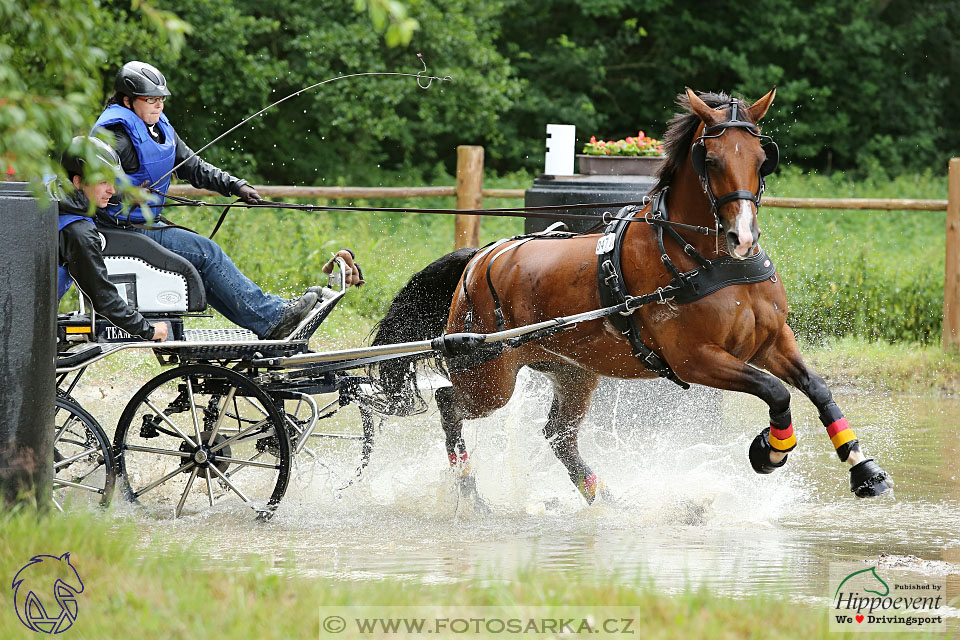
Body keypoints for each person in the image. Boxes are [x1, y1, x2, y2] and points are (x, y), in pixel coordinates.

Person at [92, 61, 362, 340]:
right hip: (120, 229)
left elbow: (192, 166)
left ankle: (269, 315)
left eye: (161, 99)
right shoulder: (115, 137)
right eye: (150, 99)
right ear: (127, 100)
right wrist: (126, 192)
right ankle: (272, 319)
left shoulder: (157, 129)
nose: (159, 106)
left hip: (144, 224)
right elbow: (95, 178)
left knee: (201, 257)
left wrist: (236, 185)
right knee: (206, 253)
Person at [56, 136, 167, 341]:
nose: (112, 190)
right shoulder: (79, 233)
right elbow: (103, 298)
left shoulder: (54, 201)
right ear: (78, 181)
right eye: (103, 182)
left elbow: (106, 195)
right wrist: (148, 330)